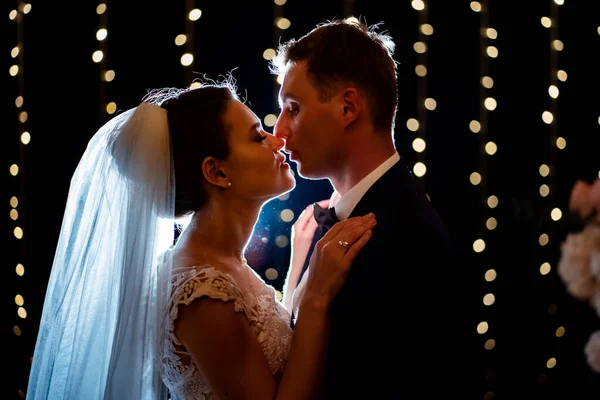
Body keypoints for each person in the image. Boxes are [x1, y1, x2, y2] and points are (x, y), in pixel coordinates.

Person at [25, 81, 377, 400]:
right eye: (257, 137)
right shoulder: (202, 294)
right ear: (217, 172)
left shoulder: (216, 262)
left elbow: (267, 346)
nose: (278, 139)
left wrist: (300, 261)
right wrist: (314, 299)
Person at [271, 19, 477, 398]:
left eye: (293, 108)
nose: (280, 131)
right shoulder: (335, 218)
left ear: (348, 107)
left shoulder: (407, 239)